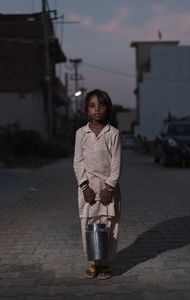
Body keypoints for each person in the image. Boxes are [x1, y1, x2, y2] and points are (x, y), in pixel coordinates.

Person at [73, 89, 121, 280]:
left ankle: (106, 264)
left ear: (107, 109)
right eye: (92, 106)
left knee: (109, 225)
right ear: (87, 110)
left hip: (108, 189)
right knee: (89, 224)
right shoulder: (81, 134)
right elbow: (77, 162)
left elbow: (116, 163)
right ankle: (94, 263)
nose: (97, 109)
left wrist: (109, 187)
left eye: (101, 105)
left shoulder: (113, 134)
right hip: (88, 191)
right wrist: (85, 187)